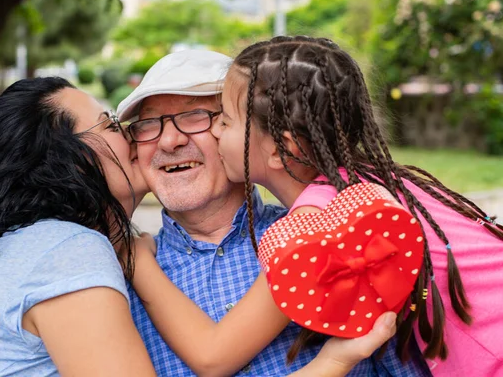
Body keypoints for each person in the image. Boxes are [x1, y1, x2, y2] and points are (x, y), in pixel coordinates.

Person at [0, 76, 399, 377]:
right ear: (69, 163)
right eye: (120, 125)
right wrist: (333, 363)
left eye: (199, 118)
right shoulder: (70, 253)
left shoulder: (312, 235)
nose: (165, 141)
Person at [132, 37, 503, 377]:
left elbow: (214, 354)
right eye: (147, 124)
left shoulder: (318, 226)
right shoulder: (362, 187)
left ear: (281, 148)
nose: (207, 134)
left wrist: (139, 260)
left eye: (219, 121)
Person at [0, 77, 156, 376]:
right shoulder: (66, 249)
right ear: (65, 162)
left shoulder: (32, 247)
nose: (130, 132)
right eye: (110, 125)